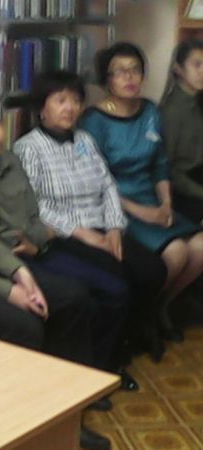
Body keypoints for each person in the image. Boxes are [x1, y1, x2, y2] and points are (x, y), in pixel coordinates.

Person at [0, 90, 134, 380]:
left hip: (39, 248)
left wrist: (37, 240)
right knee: (75, 297)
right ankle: (69, 378)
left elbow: (34, 213)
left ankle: (100, 371)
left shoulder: (10, 161)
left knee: (115, 290)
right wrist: (33, 239)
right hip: (9, 262)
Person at [80, 43, 203, 340]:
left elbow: (160, 165)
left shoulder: (149, 111)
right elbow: (95, 181)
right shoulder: (93, 120)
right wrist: (142, 212)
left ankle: (160, 307)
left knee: (200, 246)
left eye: (135, 69)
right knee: (176, 252)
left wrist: (166, 203)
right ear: (107, 79)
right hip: (116, 205)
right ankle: (142, 317)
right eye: (119, 71)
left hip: (151, 199)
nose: (129, 77)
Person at [160, 38, 203, 224]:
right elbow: (168, 169)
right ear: (178, 68)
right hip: (183, 189)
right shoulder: (171, 111)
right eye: (197, 65)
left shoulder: (197, 99)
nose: (202, 71)